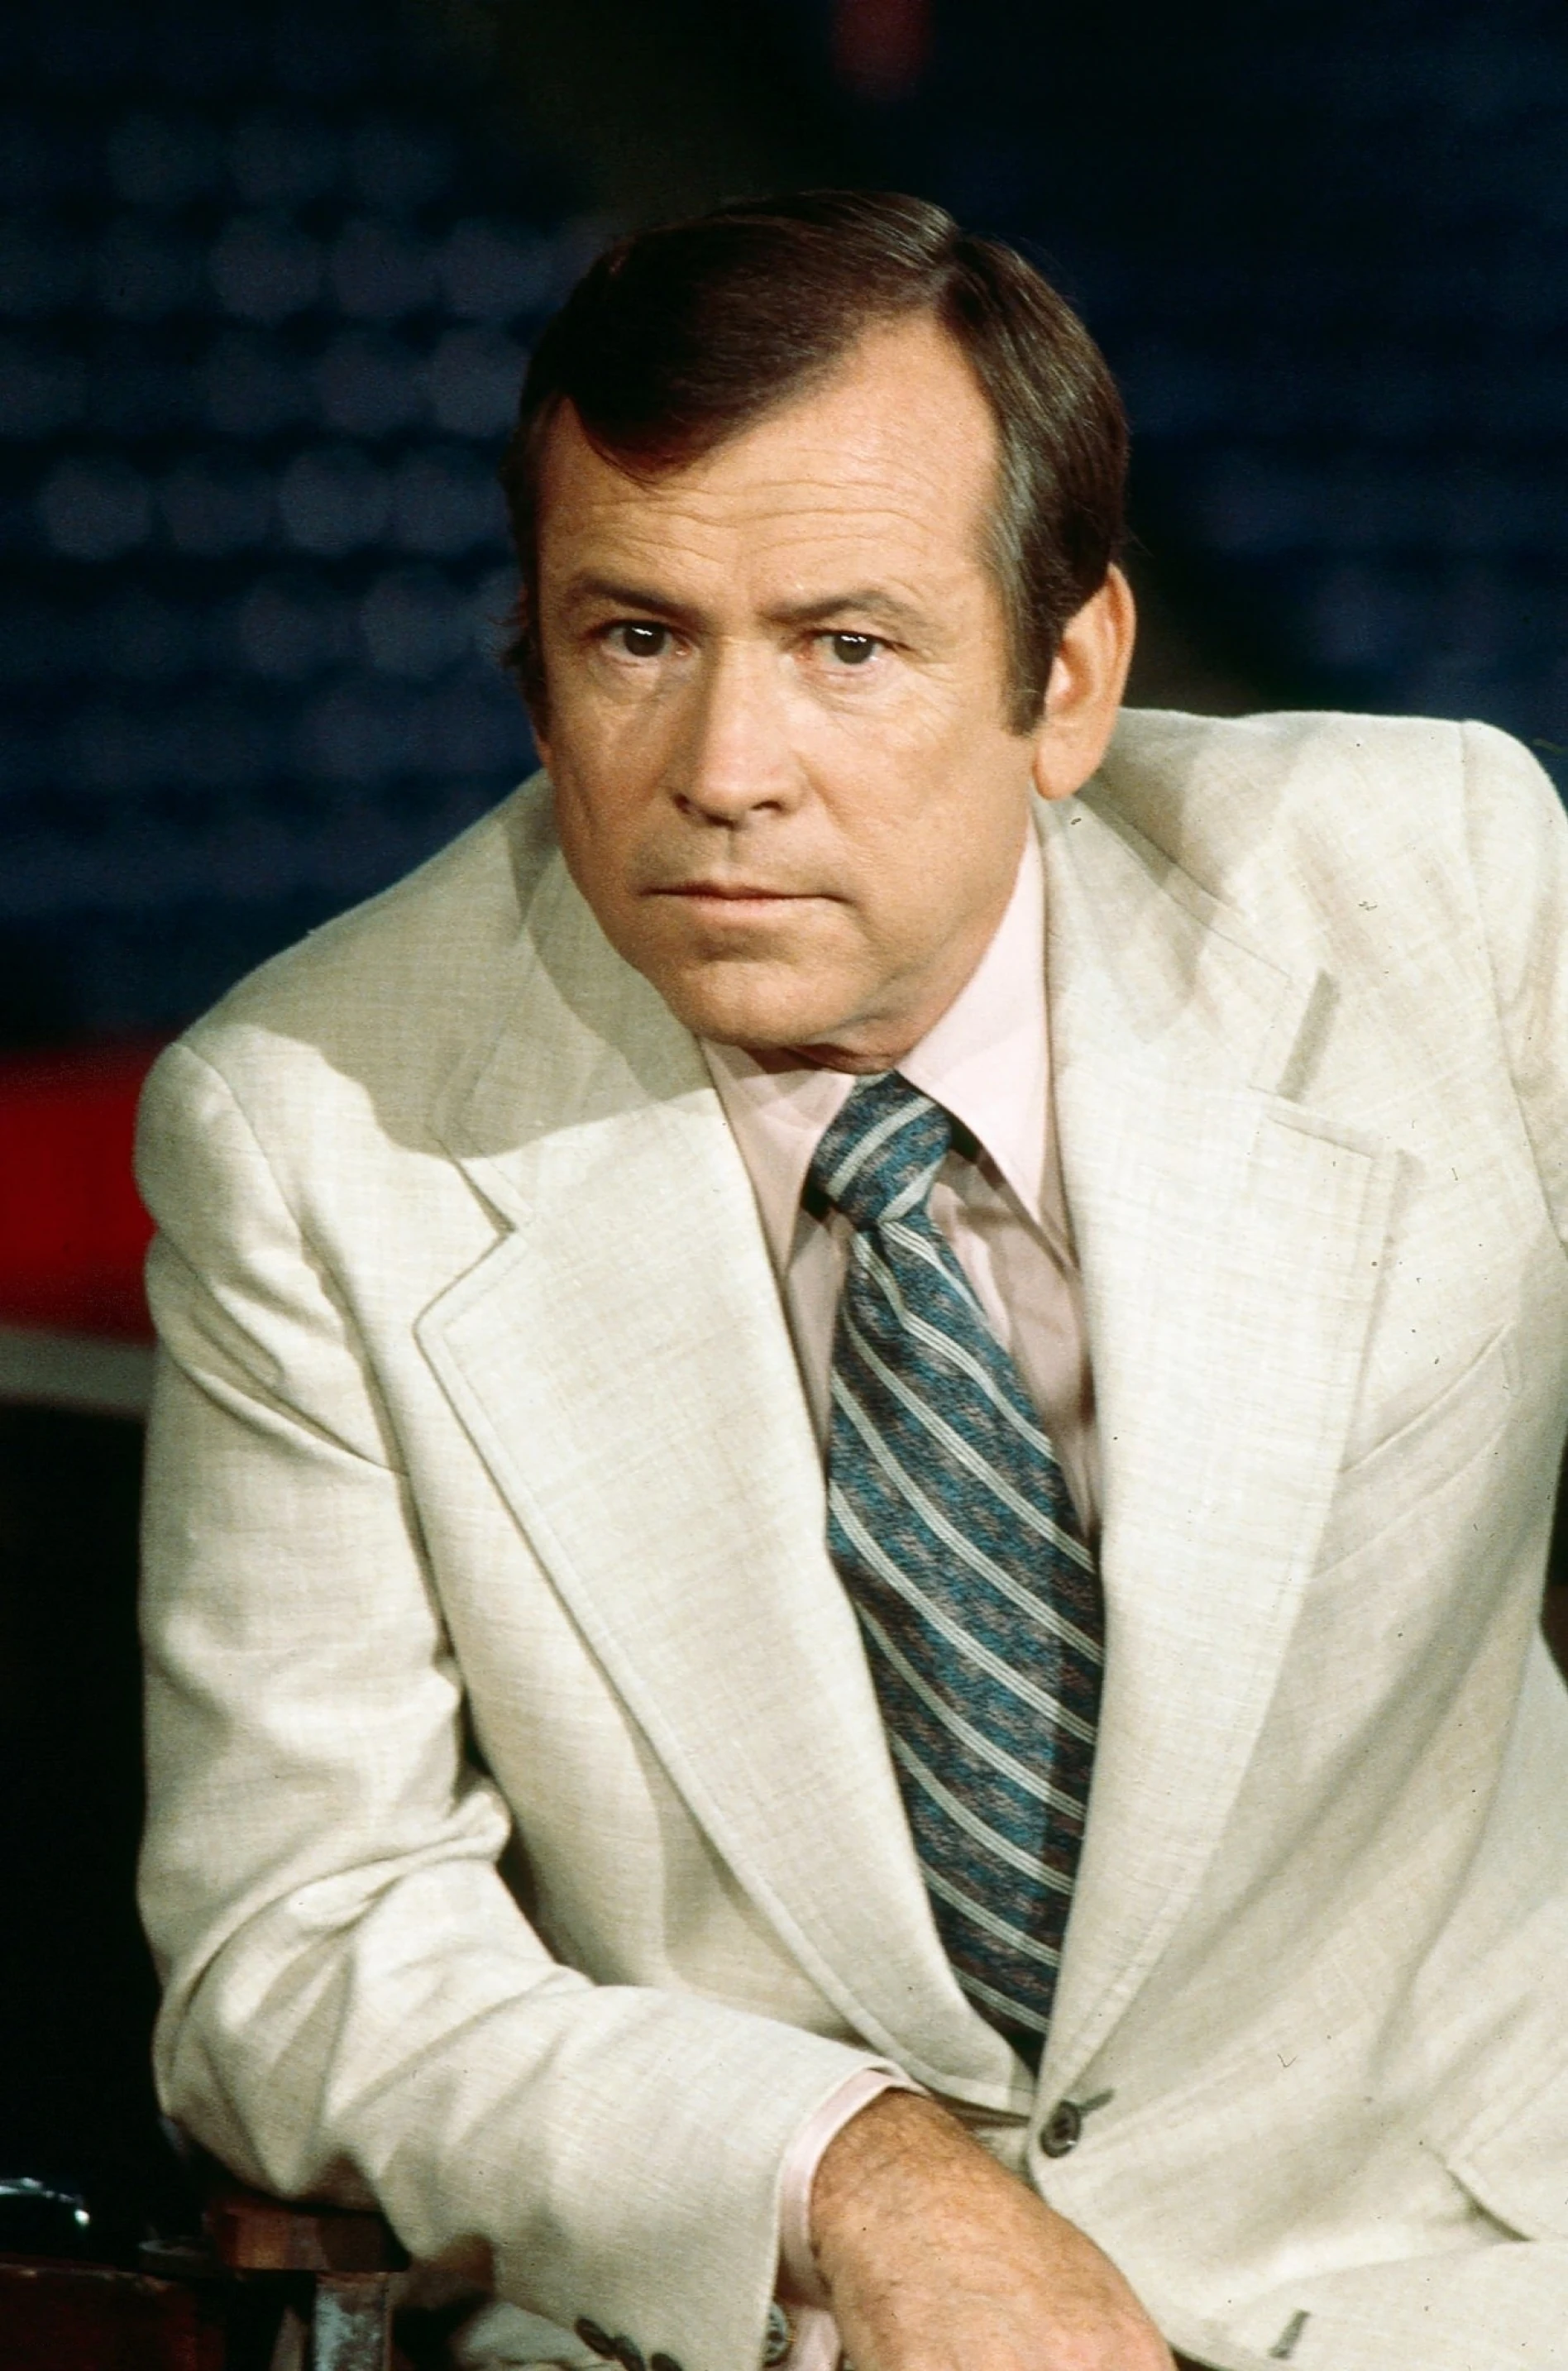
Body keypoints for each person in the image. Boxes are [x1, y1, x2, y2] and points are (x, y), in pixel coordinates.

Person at [136, 192, 1568, 2371]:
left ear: (1065, 681)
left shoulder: (1440, 887)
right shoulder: (309, 1126)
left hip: (1459, 2272)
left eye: (848, 647)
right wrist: (847, 2174)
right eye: (638, 638)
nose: (725, 773)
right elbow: (294, 1943)